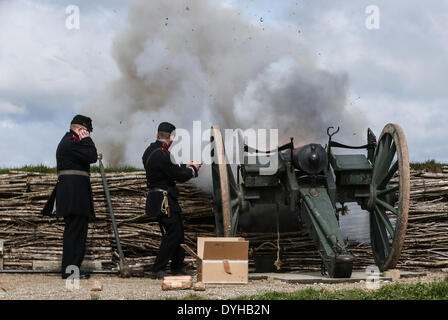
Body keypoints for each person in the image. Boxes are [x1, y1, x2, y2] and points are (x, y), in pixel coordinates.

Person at [142, 122, 202, 279]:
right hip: (164, 201)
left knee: (178, 233)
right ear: (172, 138)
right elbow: (178, 175)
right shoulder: (163, 154)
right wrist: (193, 169)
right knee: (173, 234)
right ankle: (158, 269)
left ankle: (177, 266)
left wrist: (184, 164)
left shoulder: (150, 151)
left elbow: (168, 170)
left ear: (157, 135)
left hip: (160, 198)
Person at [42, 115, 97, 279]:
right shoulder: (72, 142)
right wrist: (87, 140)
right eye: (87, 131)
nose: (89, 135)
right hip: (74, 194)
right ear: (81, 129)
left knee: (76, 232)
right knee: (75, 233)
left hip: (75, 193)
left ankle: (72, 269)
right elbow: (92, 156)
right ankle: (70, 271)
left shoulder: (71, 141)